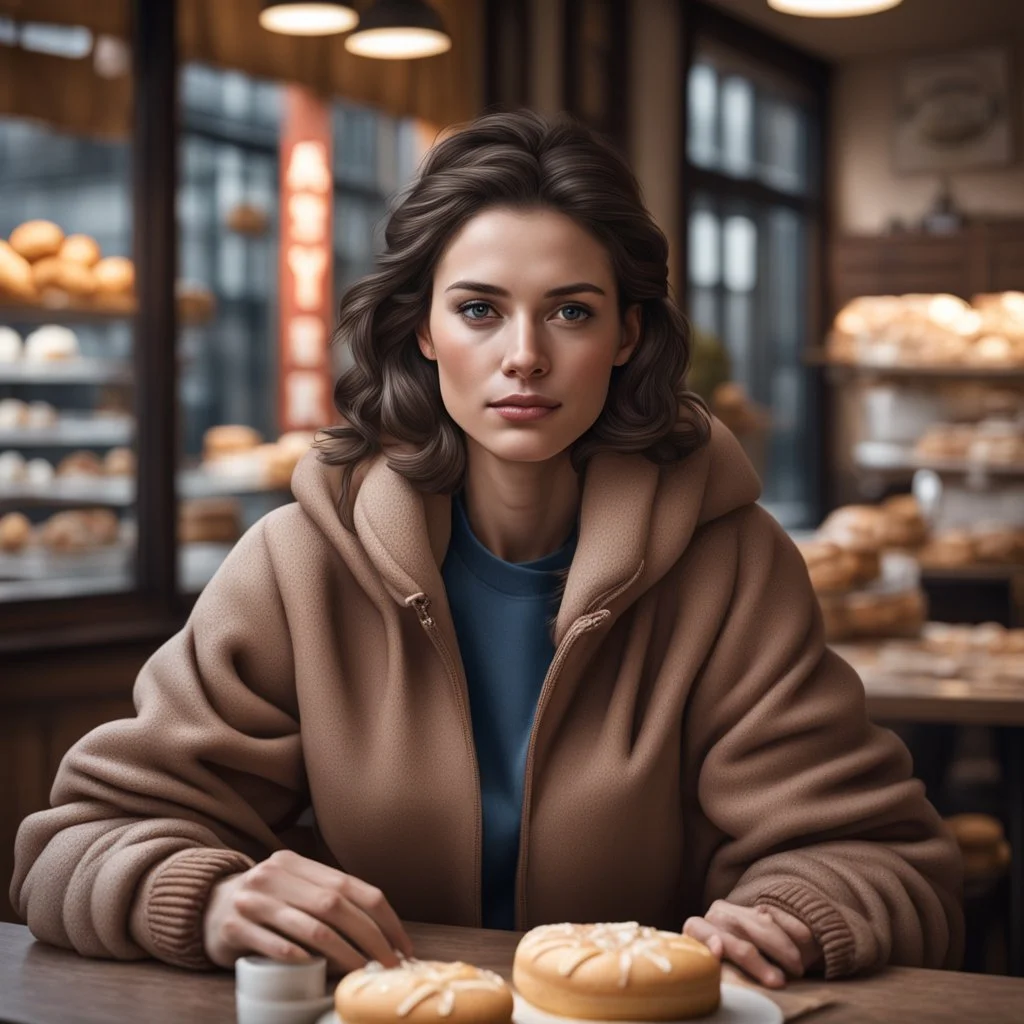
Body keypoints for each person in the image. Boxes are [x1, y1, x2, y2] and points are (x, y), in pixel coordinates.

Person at [12, 110, 963, 988]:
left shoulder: (734, 565)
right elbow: (72, 845)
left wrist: (794, 913)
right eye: (479, 310)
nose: (525, 357)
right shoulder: (299, 560)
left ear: (628, 334)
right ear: (422, 329)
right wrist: (211, 894)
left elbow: (887, 859)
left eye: (571, 311)